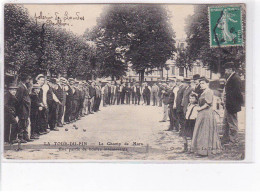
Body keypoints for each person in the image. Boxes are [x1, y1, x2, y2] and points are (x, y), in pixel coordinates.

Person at [191, 78, 222, 157]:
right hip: (203, 113)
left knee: (204, 131)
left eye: (203, 83)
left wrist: (199, 109)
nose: (201, 84)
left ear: (207, 84)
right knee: (201, 130)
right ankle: (201, 150)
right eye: (200, 83)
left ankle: (203, 152)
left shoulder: (208, 91)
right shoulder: (204, 92)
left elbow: (208, 103)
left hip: (206, 113)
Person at [221, 62, 243, 145]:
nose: (225, 71)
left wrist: (231, 103)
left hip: (232, 104)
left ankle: (233, 140)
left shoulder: (235, 78)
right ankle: (226, 138)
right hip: (228, 104)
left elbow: (237, 93)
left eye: (226, 69)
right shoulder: (231, 78)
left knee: (232, 123)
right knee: (226, 121)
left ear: (230, 69)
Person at [16, 74, 33, 143]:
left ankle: (26, 137)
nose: (29, 80)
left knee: (26, 121)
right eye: (28, 79)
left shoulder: (23, 85)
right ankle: (20, 137)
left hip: (25, 106)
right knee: (22, 122)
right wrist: (19, 108)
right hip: (22, 107)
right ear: (24, 79)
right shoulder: (20, 87)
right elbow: (19, 98)